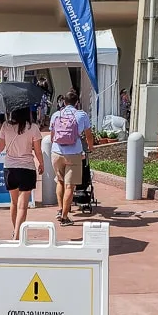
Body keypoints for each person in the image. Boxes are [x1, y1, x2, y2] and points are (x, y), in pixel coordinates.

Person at [0, 107, 43, 239]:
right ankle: (17, 236)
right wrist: (41, 163)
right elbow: (38, 151)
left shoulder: (6, 126)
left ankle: (15, 231)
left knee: (14, 203)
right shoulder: (33, 127)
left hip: (10, 168)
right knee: (23, 206)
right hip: (27, 168)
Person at [50, 89, 94, 226]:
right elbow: (88, 135)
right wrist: (90, 147)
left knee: (60, 182)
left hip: (57, 152)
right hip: (74, 154)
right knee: (70, 186)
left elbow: (52, 137)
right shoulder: (82, 115)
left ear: (64, 101)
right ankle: (64, 217)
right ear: (77, 103)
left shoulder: (56, 115)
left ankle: (59, 209)